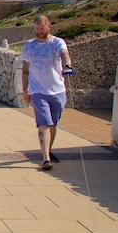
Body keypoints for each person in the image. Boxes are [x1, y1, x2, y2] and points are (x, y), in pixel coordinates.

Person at [21, 15, 74, 171]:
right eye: (37, 29)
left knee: (53, 123)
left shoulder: (57, 42)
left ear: (48, 27)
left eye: (42, 29)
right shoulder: (29, 45)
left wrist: (68, 65)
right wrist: (25, 90)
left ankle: (48, 150)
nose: (39, 32)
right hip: (38, 91)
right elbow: (25, 70)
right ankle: (45, 158)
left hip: (57, 89)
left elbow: (64, 54)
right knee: (44, 123)